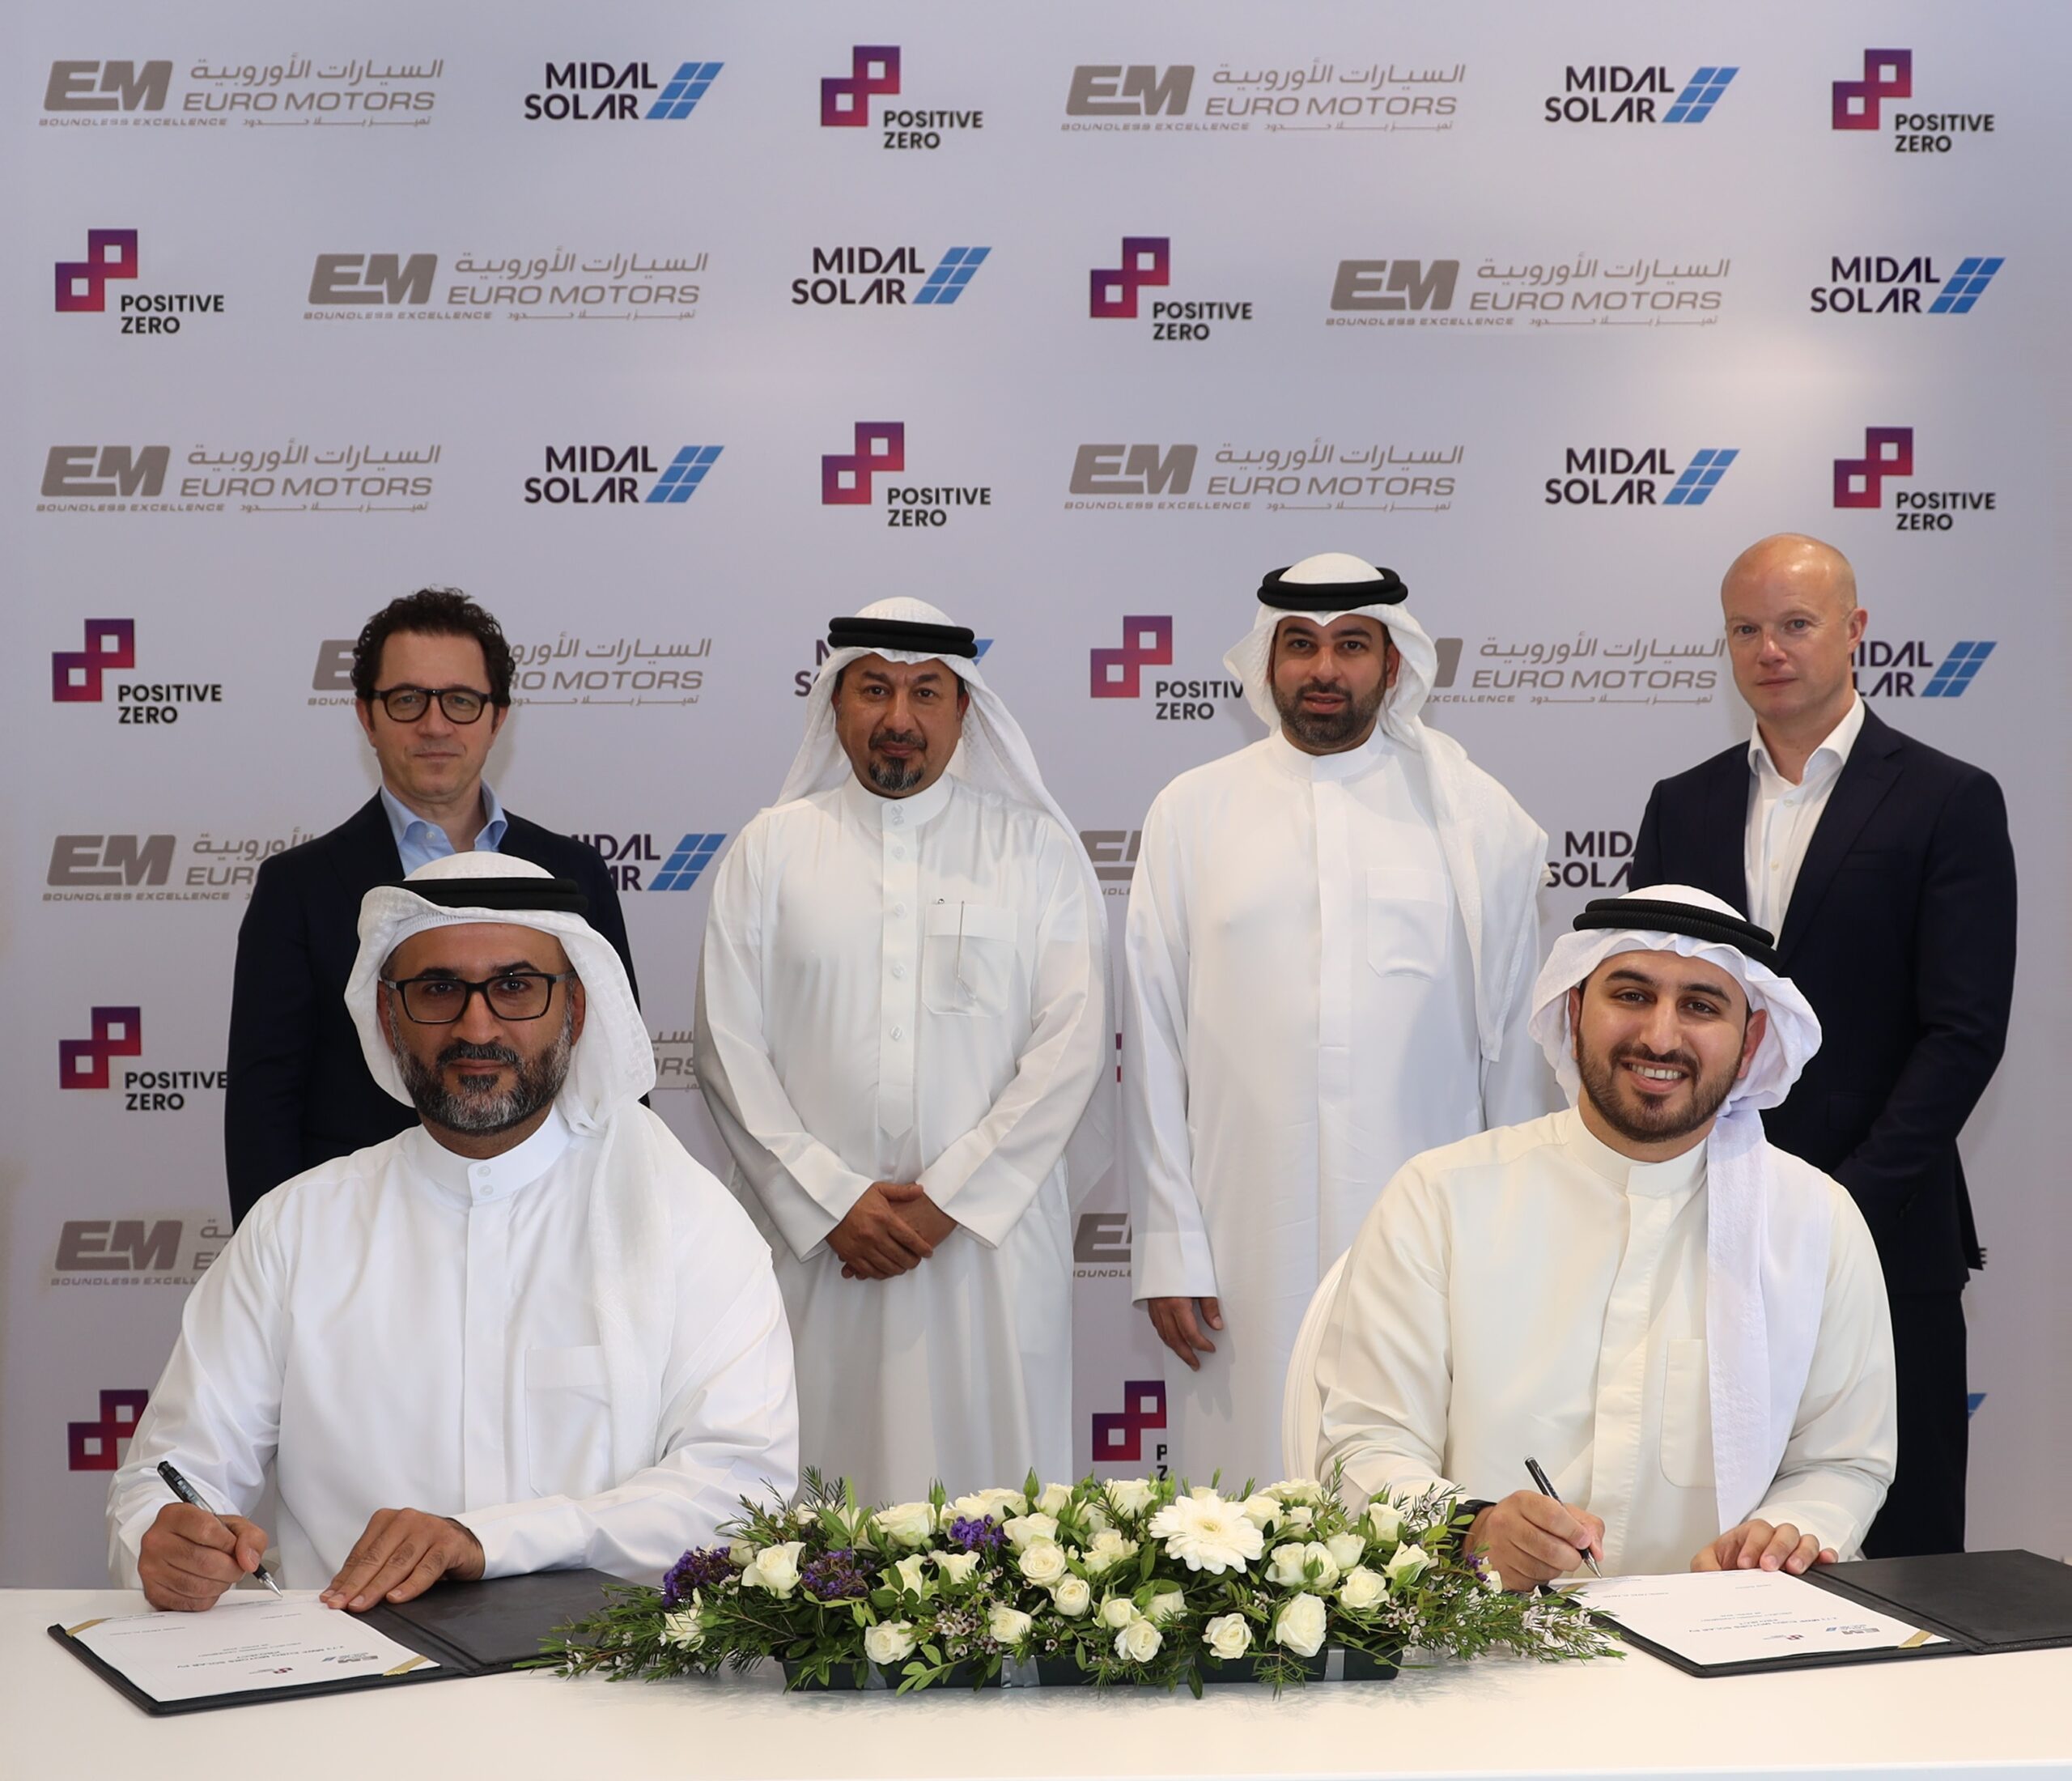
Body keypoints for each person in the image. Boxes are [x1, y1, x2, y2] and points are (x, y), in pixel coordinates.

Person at [111, 853, 796, 1610]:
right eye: (438, 989)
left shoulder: (683, 1218)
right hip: (349, 1670)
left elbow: (739, 1490)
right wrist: (164, 1539)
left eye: (515, 986)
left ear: (574, 1009)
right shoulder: (296, 1228)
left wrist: (488, 1540)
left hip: (600, 1668)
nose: (477, 1026)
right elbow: (168, 1475)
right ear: (387, 1017)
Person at [1316, 886, 1896, 1583]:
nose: (1660, 1037)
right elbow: (1365, 1446)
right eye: (1631, 995)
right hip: (1486, 1627)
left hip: (1721, 1631)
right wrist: (1470, 1530)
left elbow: (1843, 1462)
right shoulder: (1441, 1197)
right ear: (1573, 1012)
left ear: (1749, 1044)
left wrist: (1778, 1540)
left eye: (1701, 1006)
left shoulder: (1815, 1221)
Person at [1123, 553, 1553, 1483]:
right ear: (1266, 661)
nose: (1324, 668)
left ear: (1392, 663)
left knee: (1412, 1487)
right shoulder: (1190, 811)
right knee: (1237, 1510)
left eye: (1351, 645)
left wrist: (1511, 1244)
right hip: (1239, 1236)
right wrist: (1168, 1246)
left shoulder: (1478, 820)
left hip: (1428, 1233)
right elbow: (1152, 1042)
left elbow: (1514, 1062)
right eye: (1301, 644)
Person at [1632, 533, 2015, 1556]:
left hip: (1886, 1225)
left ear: (1854, 631)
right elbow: (1647, 1022)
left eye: (1795, 624)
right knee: (1711, 1532)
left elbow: (1963, 1031)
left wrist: (1840, 1204)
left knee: (1903, 1544)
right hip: (1703, 1227)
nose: (1769, 649)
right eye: (1744, 628)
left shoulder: (1948, 798)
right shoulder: (1682, 804)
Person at [696, 599, 1110, 1503]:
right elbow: (727, 1050)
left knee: (998, 1516)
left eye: (926, 692)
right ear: (834, 702)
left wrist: (950, 1199)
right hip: (818, 1250)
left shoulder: (1035, 851)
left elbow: (1071, 1045)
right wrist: (831, 1199)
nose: (899, 717)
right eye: (874, 688)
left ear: (964, 710)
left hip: (986, 1254)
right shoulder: (770, 850)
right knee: (810, 1519)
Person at [225, 587, 636, 1227]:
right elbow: (263, 1109)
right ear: (367, 716)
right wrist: (277, 1257)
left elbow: (615, 1075)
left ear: (498, 718)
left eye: (461, 701)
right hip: (365, 1231)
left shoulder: (573, 874)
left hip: (549, 1227)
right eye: (407, 699)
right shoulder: (296, 889)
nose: (436, 725)